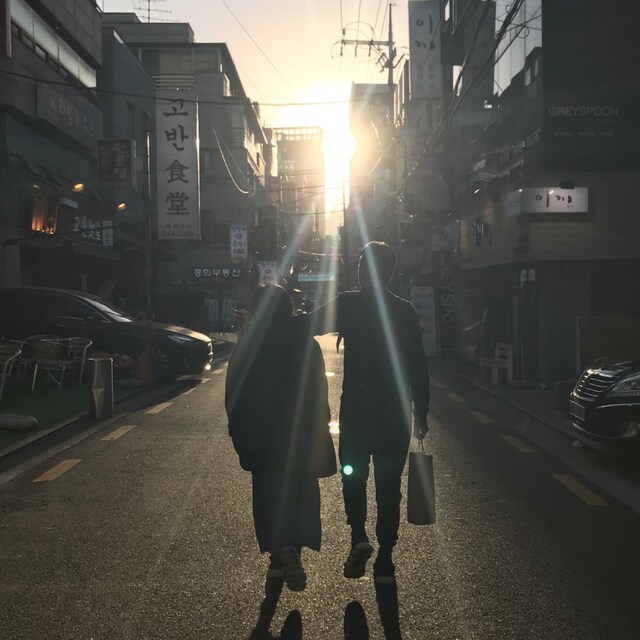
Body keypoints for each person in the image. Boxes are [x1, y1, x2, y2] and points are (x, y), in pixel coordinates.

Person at [309, 241, 430, 584]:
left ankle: (359, 536)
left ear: (364, 270)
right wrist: (421, 414)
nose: (358, 269)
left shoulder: (349, 304)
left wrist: (272, 319)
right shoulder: (404, 311)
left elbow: (309, 324)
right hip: (394, 414)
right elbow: (417, 366)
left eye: (361, 264)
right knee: (389, 486)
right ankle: (386, 558)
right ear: (390, 273)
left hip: (357, 412)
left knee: (353, 475)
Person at [225, 283, 337, 594]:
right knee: (301, 494)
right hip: (300, 434)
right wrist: (321, 425)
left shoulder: (249, 344)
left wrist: (238, 432)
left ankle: (278, 554)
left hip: (261, 436)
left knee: (268, 497)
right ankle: (293, 548)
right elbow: (319, 390)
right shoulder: (306, 343)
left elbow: (234, 394)